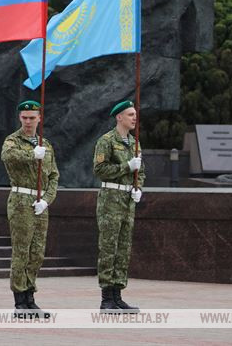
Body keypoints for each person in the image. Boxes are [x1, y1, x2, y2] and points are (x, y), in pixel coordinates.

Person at [0, 100, 60, 317]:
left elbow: (54, 175)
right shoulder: (13, 141)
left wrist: (47, 200)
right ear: (20, 118)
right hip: (21, 200)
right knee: (22, 251)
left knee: (37, 252)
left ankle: (30, 297)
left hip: (40, 203)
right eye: (24, 117)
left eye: (32, 118)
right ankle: (19, 300)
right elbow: (7, 156)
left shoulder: (46, 144)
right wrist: (31, 155)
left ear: (39, 119)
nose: (28, 121)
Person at [94, 100, 146, 312]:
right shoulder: (106, 141)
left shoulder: (134, 142)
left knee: (123, 248)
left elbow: (141, 171)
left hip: (127, 200)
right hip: (111, 199)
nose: (134, 118)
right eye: (130, 114)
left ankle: (117, 296)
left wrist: (138, 186)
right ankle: (106, 298)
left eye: (135, 114)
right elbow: (100, 170)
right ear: (119, 117)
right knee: (109, 247)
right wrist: (126, 166)